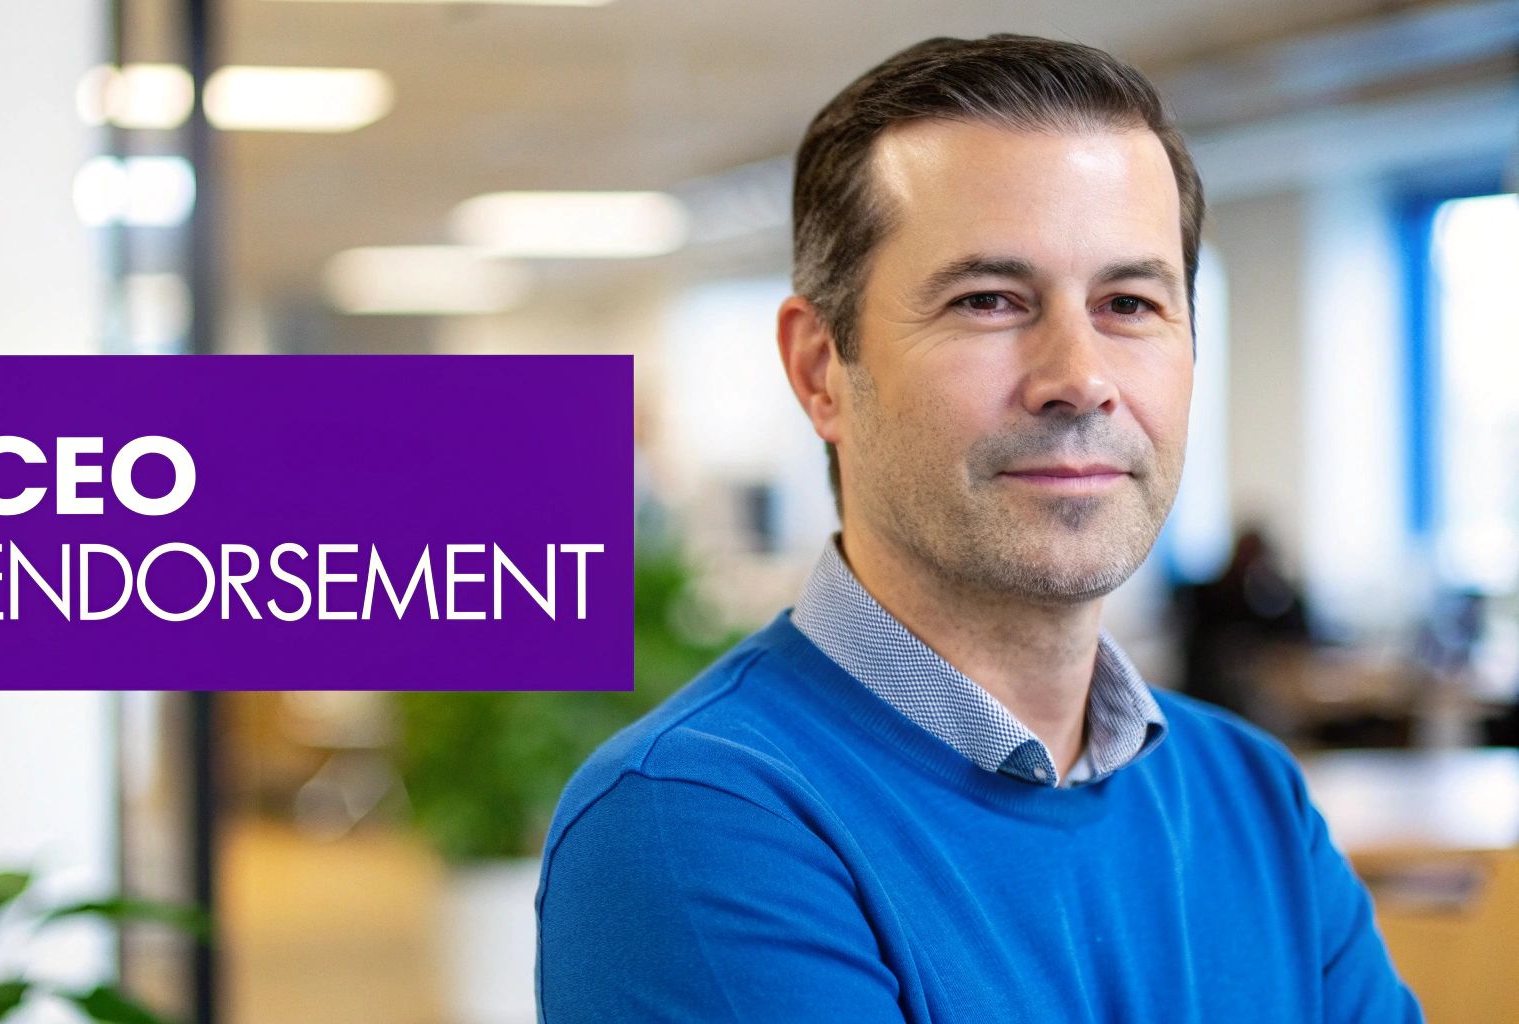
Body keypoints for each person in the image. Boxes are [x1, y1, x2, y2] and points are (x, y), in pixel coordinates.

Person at [535, 34, 1422, 1023]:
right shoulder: (694, 818)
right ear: (820, 367)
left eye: (1128, 302)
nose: (1077, 377)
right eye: (988, 300)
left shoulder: (1249, 798)